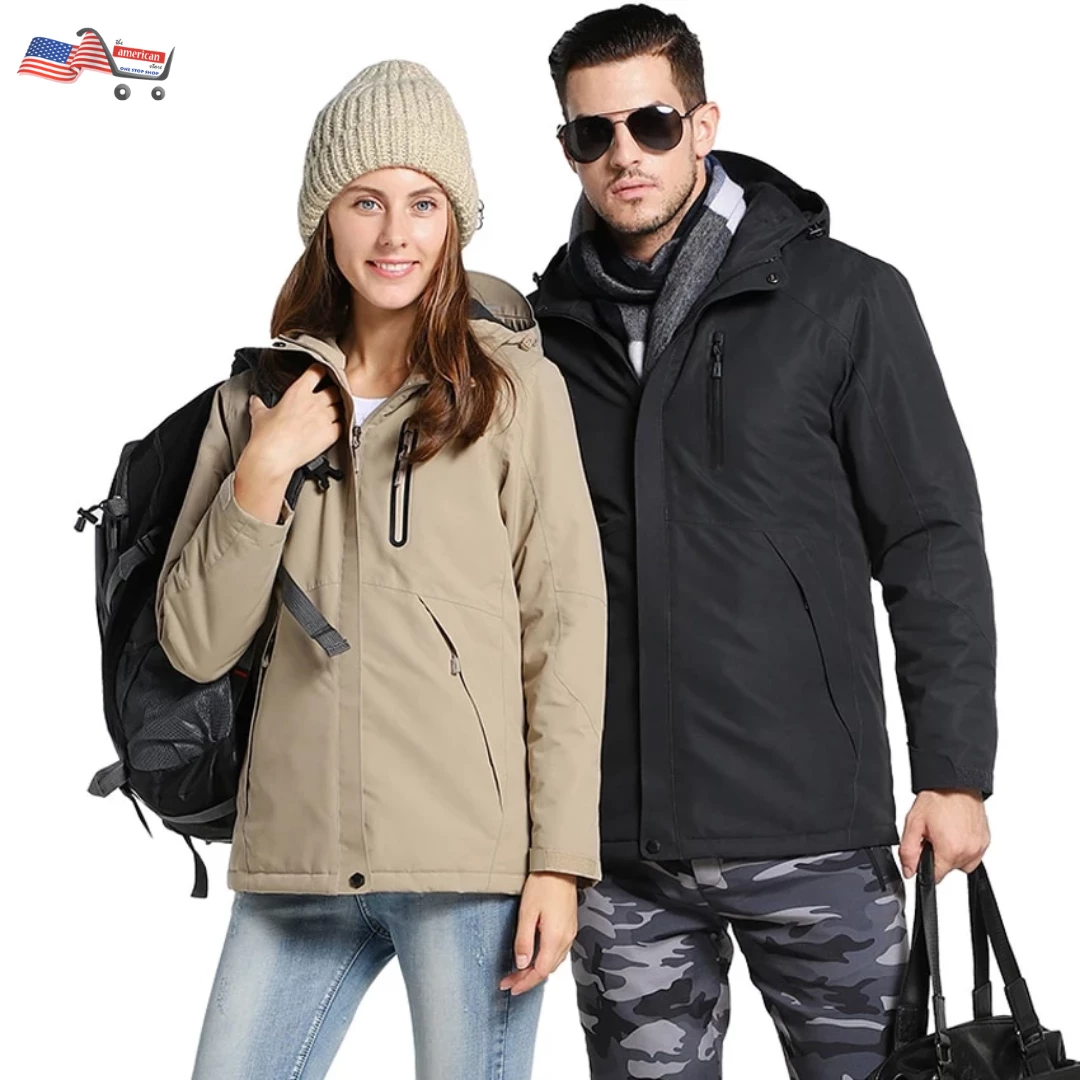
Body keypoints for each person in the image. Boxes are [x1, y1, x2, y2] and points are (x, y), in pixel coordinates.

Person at [528, 7, 996, 1078]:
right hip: (621, 856)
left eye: (651, 123)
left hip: (813, 832)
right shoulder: (539, 337)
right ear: (569, 148)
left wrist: (955, 771)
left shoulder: (845, 299)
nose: (624, 155)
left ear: (703, 125)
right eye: (593, 133)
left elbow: (930, 540)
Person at [155, 59, 607, 1080]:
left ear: (455, 220)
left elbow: (566, 630)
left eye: (422, 202)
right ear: (325, 218)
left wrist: (559, 863)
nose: (395, 233)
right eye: (365, 201)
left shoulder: (515, 394)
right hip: (296, 863)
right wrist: (262, 471)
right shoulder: (256, 401)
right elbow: (195, 642)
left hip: (468, 867)